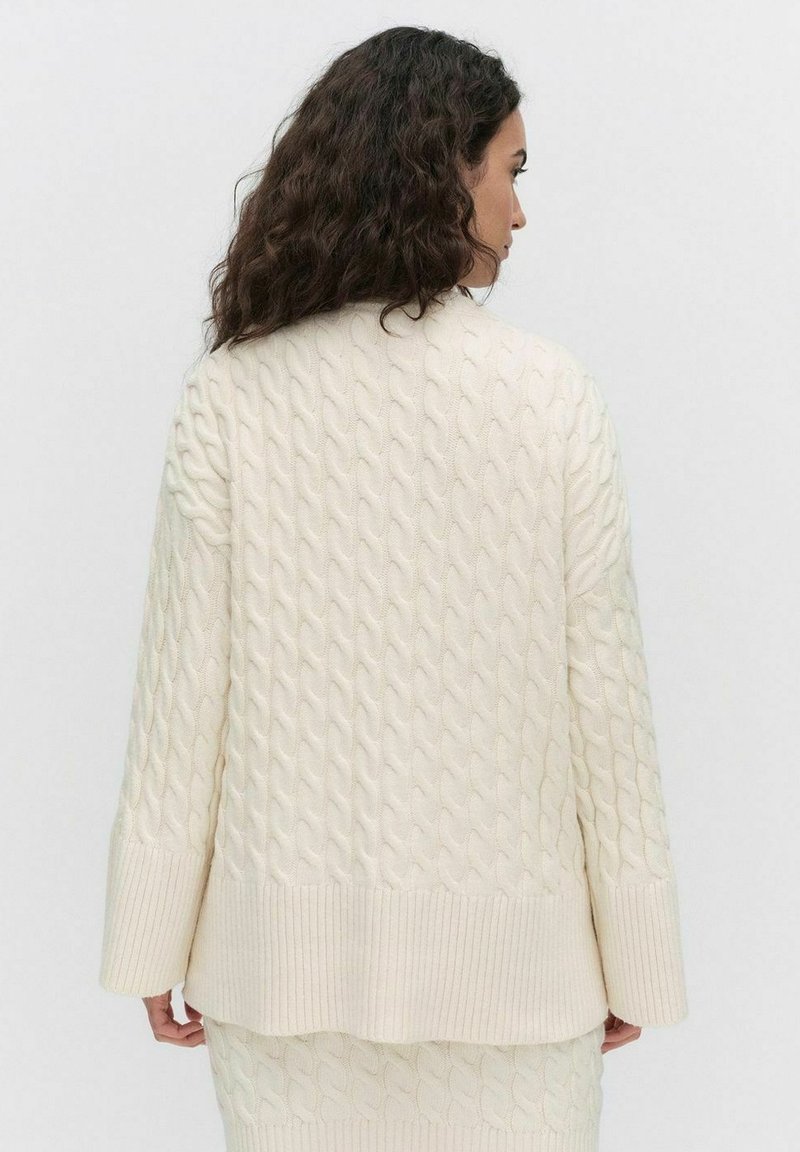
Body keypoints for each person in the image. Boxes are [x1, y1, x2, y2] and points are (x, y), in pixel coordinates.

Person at [99, 25, 688, 1152]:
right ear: (438, 173)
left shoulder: (232, 397)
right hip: (519, 985)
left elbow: (181, 699)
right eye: (508, 171)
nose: (519, 212)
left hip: (280, 983)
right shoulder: (548, 395)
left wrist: (151, 940)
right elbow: (605, 705)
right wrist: (635, 954)